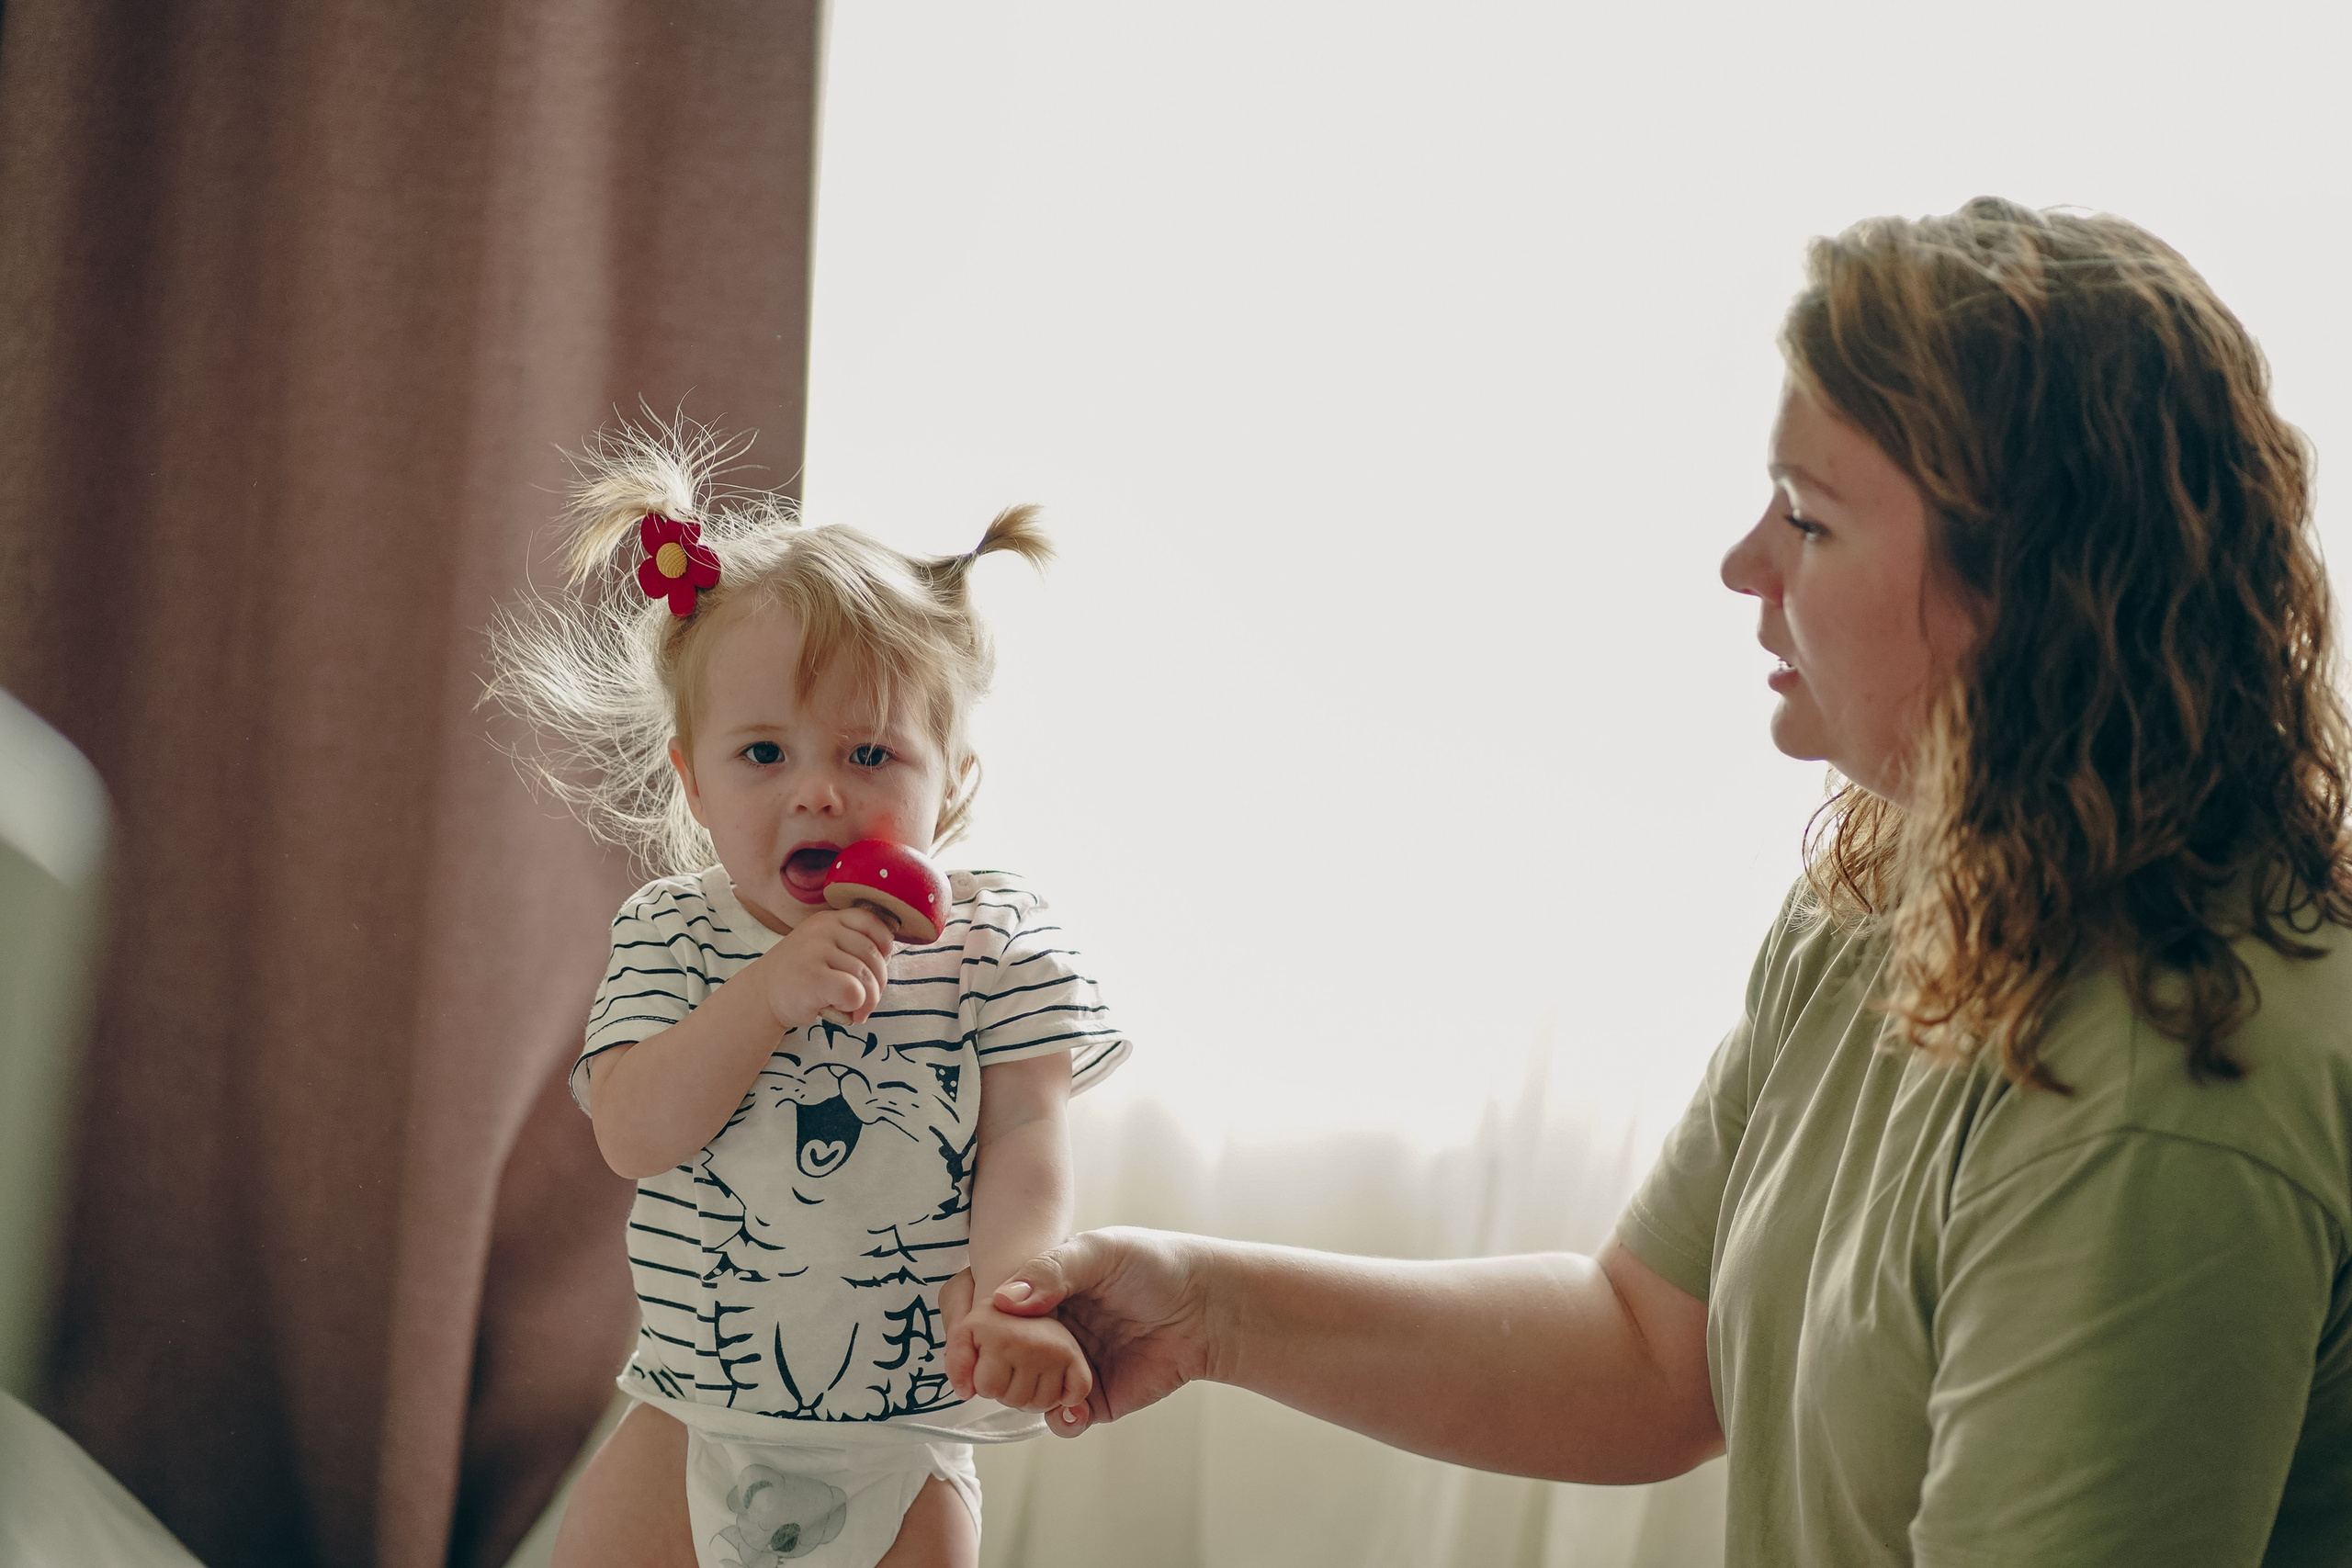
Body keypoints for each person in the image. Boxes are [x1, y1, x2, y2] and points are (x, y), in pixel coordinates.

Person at [944, 198, 2352, 1565]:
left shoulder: (2160, 1094)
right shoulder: (1893, 883)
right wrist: (1209, 1309)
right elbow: (1652, 1352)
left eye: (1807, 517)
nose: (1743, 560)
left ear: (2025, 589)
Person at [485, 426, 1132, 1568]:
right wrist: (765, 995)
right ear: (692, 778)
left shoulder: (995, 939)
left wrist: (1017, 1295)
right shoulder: (675, 934)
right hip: (688, 1418)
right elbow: (634, 1134)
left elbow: (1028, 1130)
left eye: (871, 756)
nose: (819, 793)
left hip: (906, 1436)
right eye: (764, 755)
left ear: (954, 781)